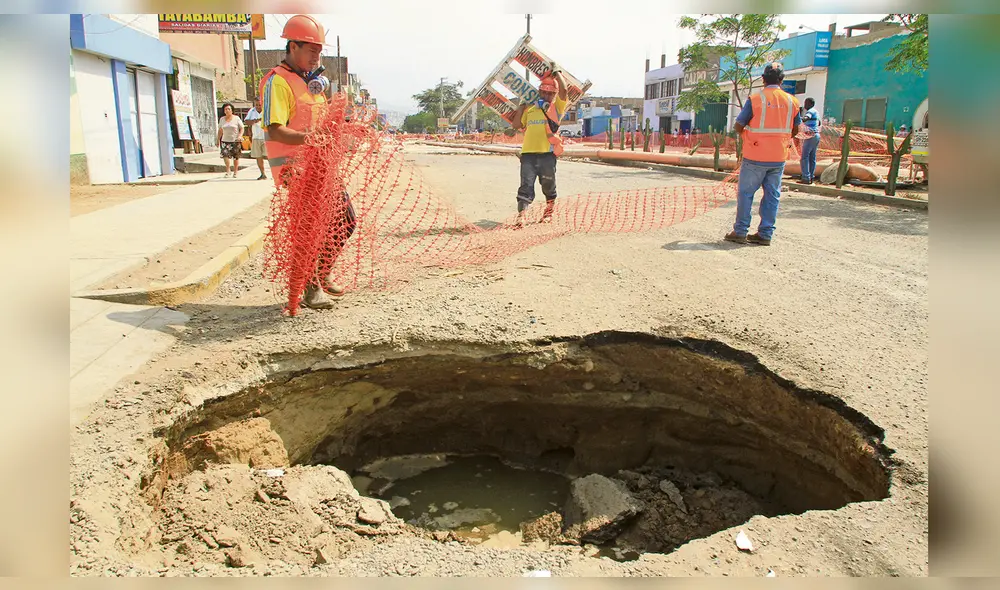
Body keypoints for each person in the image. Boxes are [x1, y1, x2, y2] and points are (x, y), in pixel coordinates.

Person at [259, 14, 357, 310]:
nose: (317, 56)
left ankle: (320, 273)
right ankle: (311, 288)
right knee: (311, 228)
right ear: (293, 46)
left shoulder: (310, 83)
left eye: (319, 51)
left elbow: (319, 122)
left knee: (345, 220)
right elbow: (274, 127)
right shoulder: (278, 82)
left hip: (319, 165)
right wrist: (311, 139)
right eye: (311, 49)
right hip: (295, 167)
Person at [724, 62, 801, 246]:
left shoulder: (756, 99)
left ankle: (740, 231)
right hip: (778, 157)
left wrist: (748, 135)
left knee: (746, 194)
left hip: (755, 155)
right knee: (772, 195)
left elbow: (738, 125)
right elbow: (795, 129)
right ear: (782, 80)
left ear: (764, 80)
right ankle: (765, 234)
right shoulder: (792, 101)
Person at [511, 66, 568, 225]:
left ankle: (548, 213)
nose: (547, 95)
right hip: (528, 154)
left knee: (549, 185)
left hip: (547, 155)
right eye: (544, 92)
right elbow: (516, 124)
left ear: (554, 95)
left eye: (551, 93)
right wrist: (521, 107)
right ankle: (521, 216)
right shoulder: (530, 110)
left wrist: (558, 74)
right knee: (526, 185)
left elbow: (564, 91)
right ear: (540, 92)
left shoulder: (556, 109)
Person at [797, 97, 821, 185]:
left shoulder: (811, 111)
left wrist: (797, 119)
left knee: (804, 157)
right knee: (812, 157)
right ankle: (811, 177)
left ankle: (805, 177)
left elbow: (806, 118)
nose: (805, 105)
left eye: (806, 103)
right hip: (816, 135)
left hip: (810, 136)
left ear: (810, 104)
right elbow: (819, 123)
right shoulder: (816, 112)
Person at [216, 103, 244, 178]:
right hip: (225, 141)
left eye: (229, 109)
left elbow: (241, 128)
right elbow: (220, 130)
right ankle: (228, 170)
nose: (227, 110)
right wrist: (218, 140)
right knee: (225, 155)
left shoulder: (236, 118)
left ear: (232, 110)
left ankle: (235, 171)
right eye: (225, 109)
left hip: (235, 140)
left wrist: (240, 136)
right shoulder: (222, 119)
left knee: (236, 157)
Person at [244, 95, 268, 181]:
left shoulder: (267, 110)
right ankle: (263, 173)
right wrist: (255, 120)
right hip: (256, 137)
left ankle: (275, 173)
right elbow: (246, 121)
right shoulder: (252, 111)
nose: (258, 106)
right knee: (258, 156)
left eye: (259, 104)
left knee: (269, 156)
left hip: (266, 136)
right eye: (256, 105)